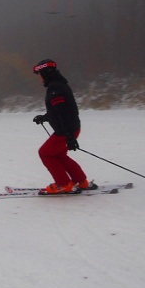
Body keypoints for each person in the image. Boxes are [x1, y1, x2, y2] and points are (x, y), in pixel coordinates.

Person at [32, 59, 97, 194]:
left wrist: (68, 135)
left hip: (65, 130)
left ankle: (63, 185)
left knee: (45, 153)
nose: (39, 77)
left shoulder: (54, 87)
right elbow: (59, 109)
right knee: (59, 155)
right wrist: (45, 117)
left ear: (45, 72)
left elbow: (62, 111)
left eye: (39, 74)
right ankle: (81, 182)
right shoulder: (59, 85)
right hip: (71, 128)